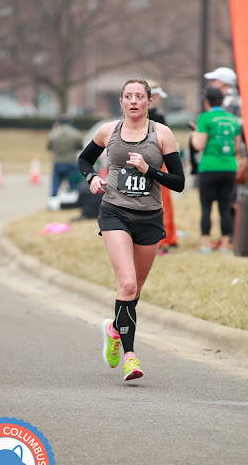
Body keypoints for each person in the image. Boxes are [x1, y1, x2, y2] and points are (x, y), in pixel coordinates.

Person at [78, 79, 185, 381]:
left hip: (149, 218)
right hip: (115, 212)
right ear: (121, 102)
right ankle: (130, 357)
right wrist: (91, 178)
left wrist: (148, 170)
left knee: (134, 290)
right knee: (126, 286)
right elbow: (84, 159)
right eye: (128, 96)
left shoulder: (162, 134)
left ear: (149, 102)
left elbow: (179, 182)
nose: (134, 101)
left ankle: (115, 329)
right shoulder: (107, 131)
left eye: (140, 96)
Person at [190, 87, 241, 254]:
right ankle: (225, 245)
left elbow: (199, 145)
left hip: (209, 167)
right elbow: (236, 147)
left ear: (206, 101)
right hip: (229, 167)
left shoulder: (204, 118)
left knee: (206, 207)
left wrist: (194, 135)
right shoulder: (233, 119)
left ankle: (206, 245)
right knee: (224, 207)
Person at [149, 84, 178, 253]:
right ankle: (163, 238)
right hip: (158, 161)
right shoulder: (157, 116)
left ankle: (168, 237)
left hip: (154, 161)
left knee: (162, 201)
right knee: (161, 201)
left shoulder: (138, 117)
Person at [47, 114, 83, 198]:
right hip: (71, 162)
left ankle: (53, 200)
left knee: (55, 184)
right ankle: (74, 201)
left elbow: (49, 147)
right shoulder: (75, 133)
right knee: (73, 185)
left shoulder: (53, 133)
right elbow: (80, 147)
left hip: (58, 162)